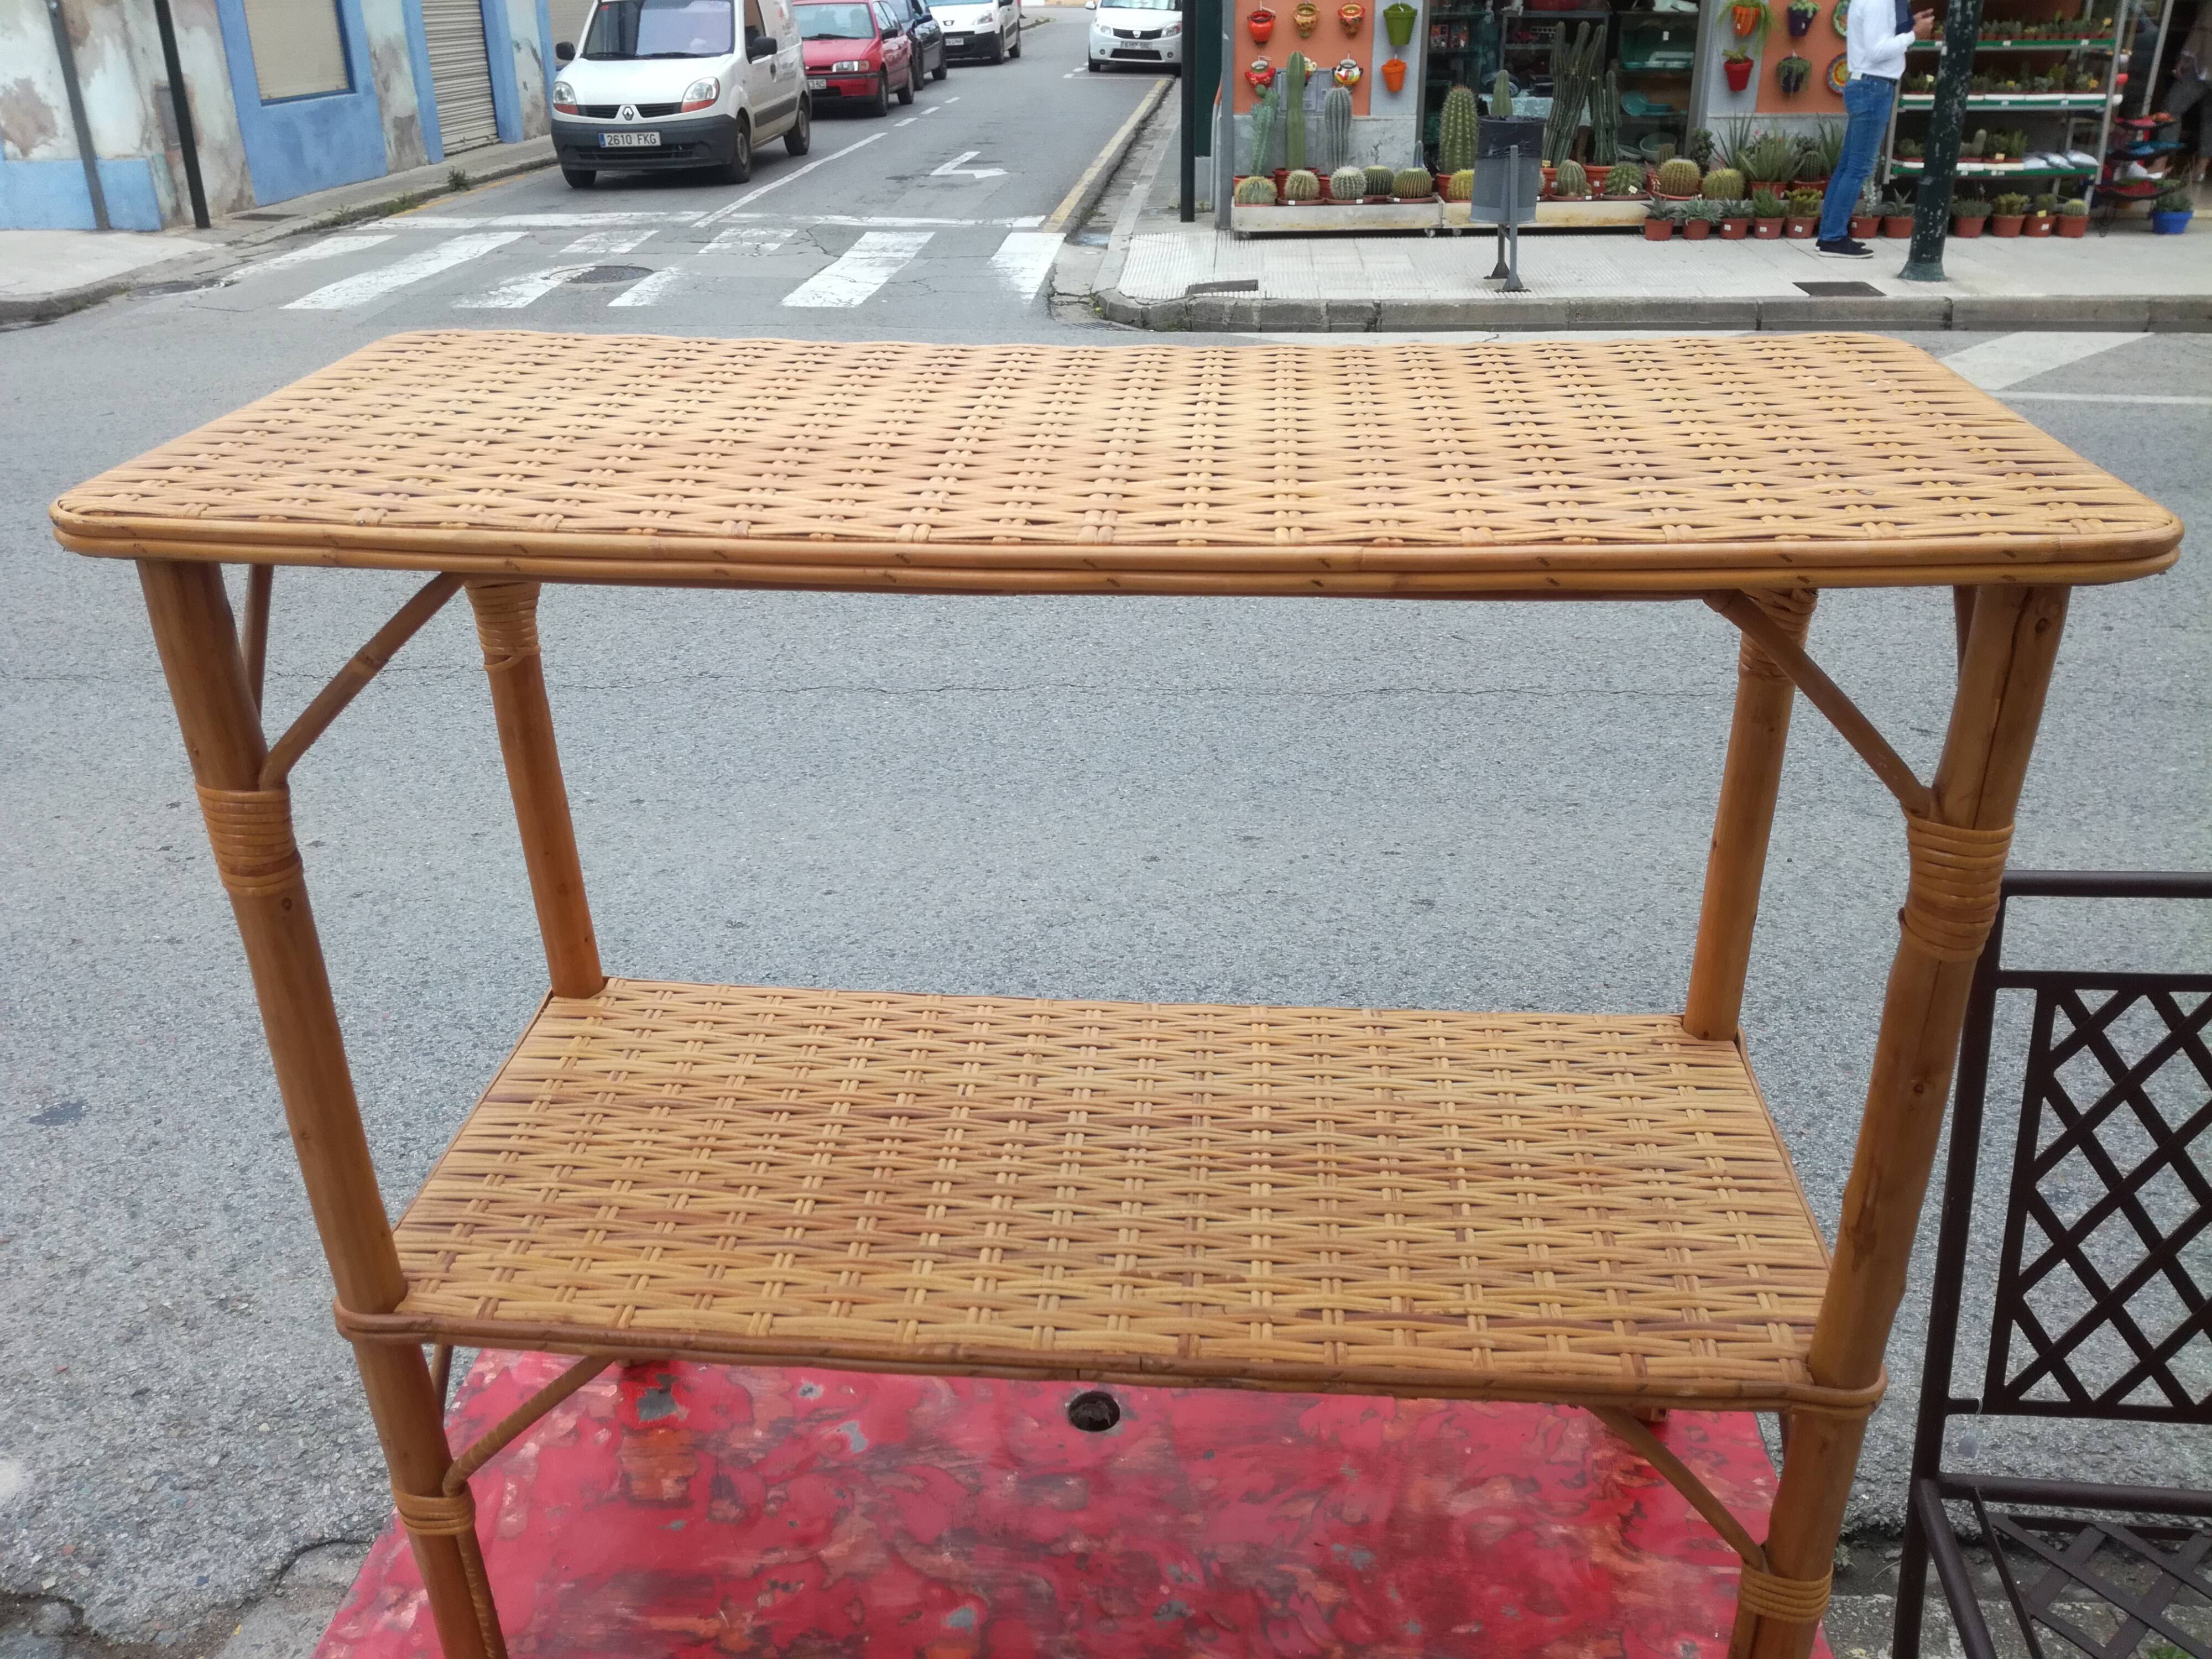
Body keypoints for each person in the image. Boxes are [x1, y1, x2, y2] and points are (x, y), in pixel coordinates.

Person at [1818, 0, 1935, 257]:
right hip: (1874, 88)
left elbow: (1877, 39)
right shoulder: (1879, 3)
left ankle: (1829, 234)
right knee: (1858, 168)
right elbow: (1876, 51)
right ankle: (1833, 238)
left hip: (1867, 86)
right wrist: (1914, 35)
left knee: (1849, 166)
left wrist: (1910, 25)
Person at [2158, 4, 2211, 187]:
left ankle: (2160, 163)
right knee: (2209, 118)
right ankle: (2200, 170)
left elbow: (2204, 27)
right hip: (2205, 63)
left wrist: (2186, 55)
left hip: (2205, 64)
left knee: (2171, 109)